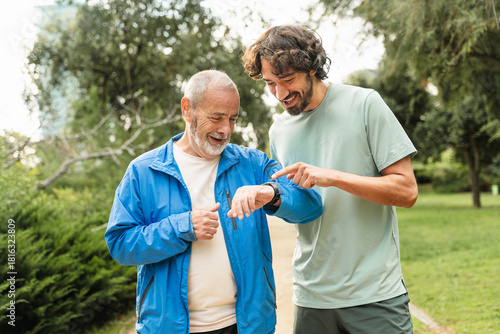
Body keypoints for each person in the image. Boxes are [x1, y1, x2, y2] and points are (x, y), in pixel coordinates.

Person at [104, 69, 322, 334]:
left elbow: (310, 205)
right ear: (188, 109)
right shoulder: (143, 171)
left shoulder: (252, 163)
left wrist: (271, 192)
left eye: (232, 119)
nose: (226, 129)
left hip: (247, 326)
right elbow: (120, 244)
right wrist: (182, 227)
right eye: (217, 117)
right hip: (168, 328)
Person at [242, 25, 419, 334]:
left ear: (312, 67)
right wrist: (273, 197)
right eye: (270, 83)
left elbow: (406, 191)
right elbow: (301, 206)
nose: (280, 94)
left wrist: (333, 177)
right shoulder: (278, 130)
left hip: (374, 295)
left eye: (287, 80)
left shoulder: (365, 104)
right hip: (312, 298)